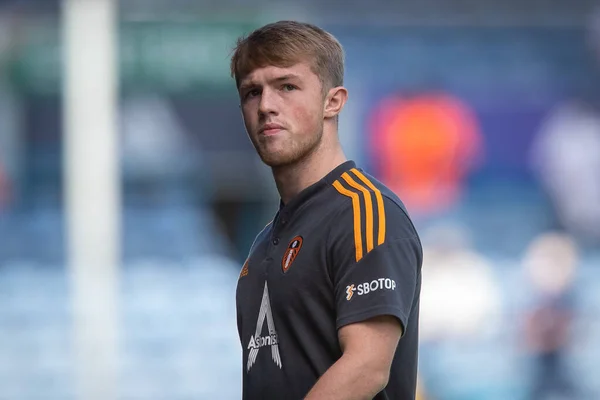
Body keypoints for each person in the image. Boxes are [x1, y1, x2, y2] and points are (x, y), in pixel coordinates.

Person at [229, 20, 423, 400]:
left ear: (332, 102)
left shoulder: (365, 212)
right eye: (252, 92)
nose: (267, 106)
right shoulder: (262, 244)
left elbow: (366, 368)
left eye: (287, 86)